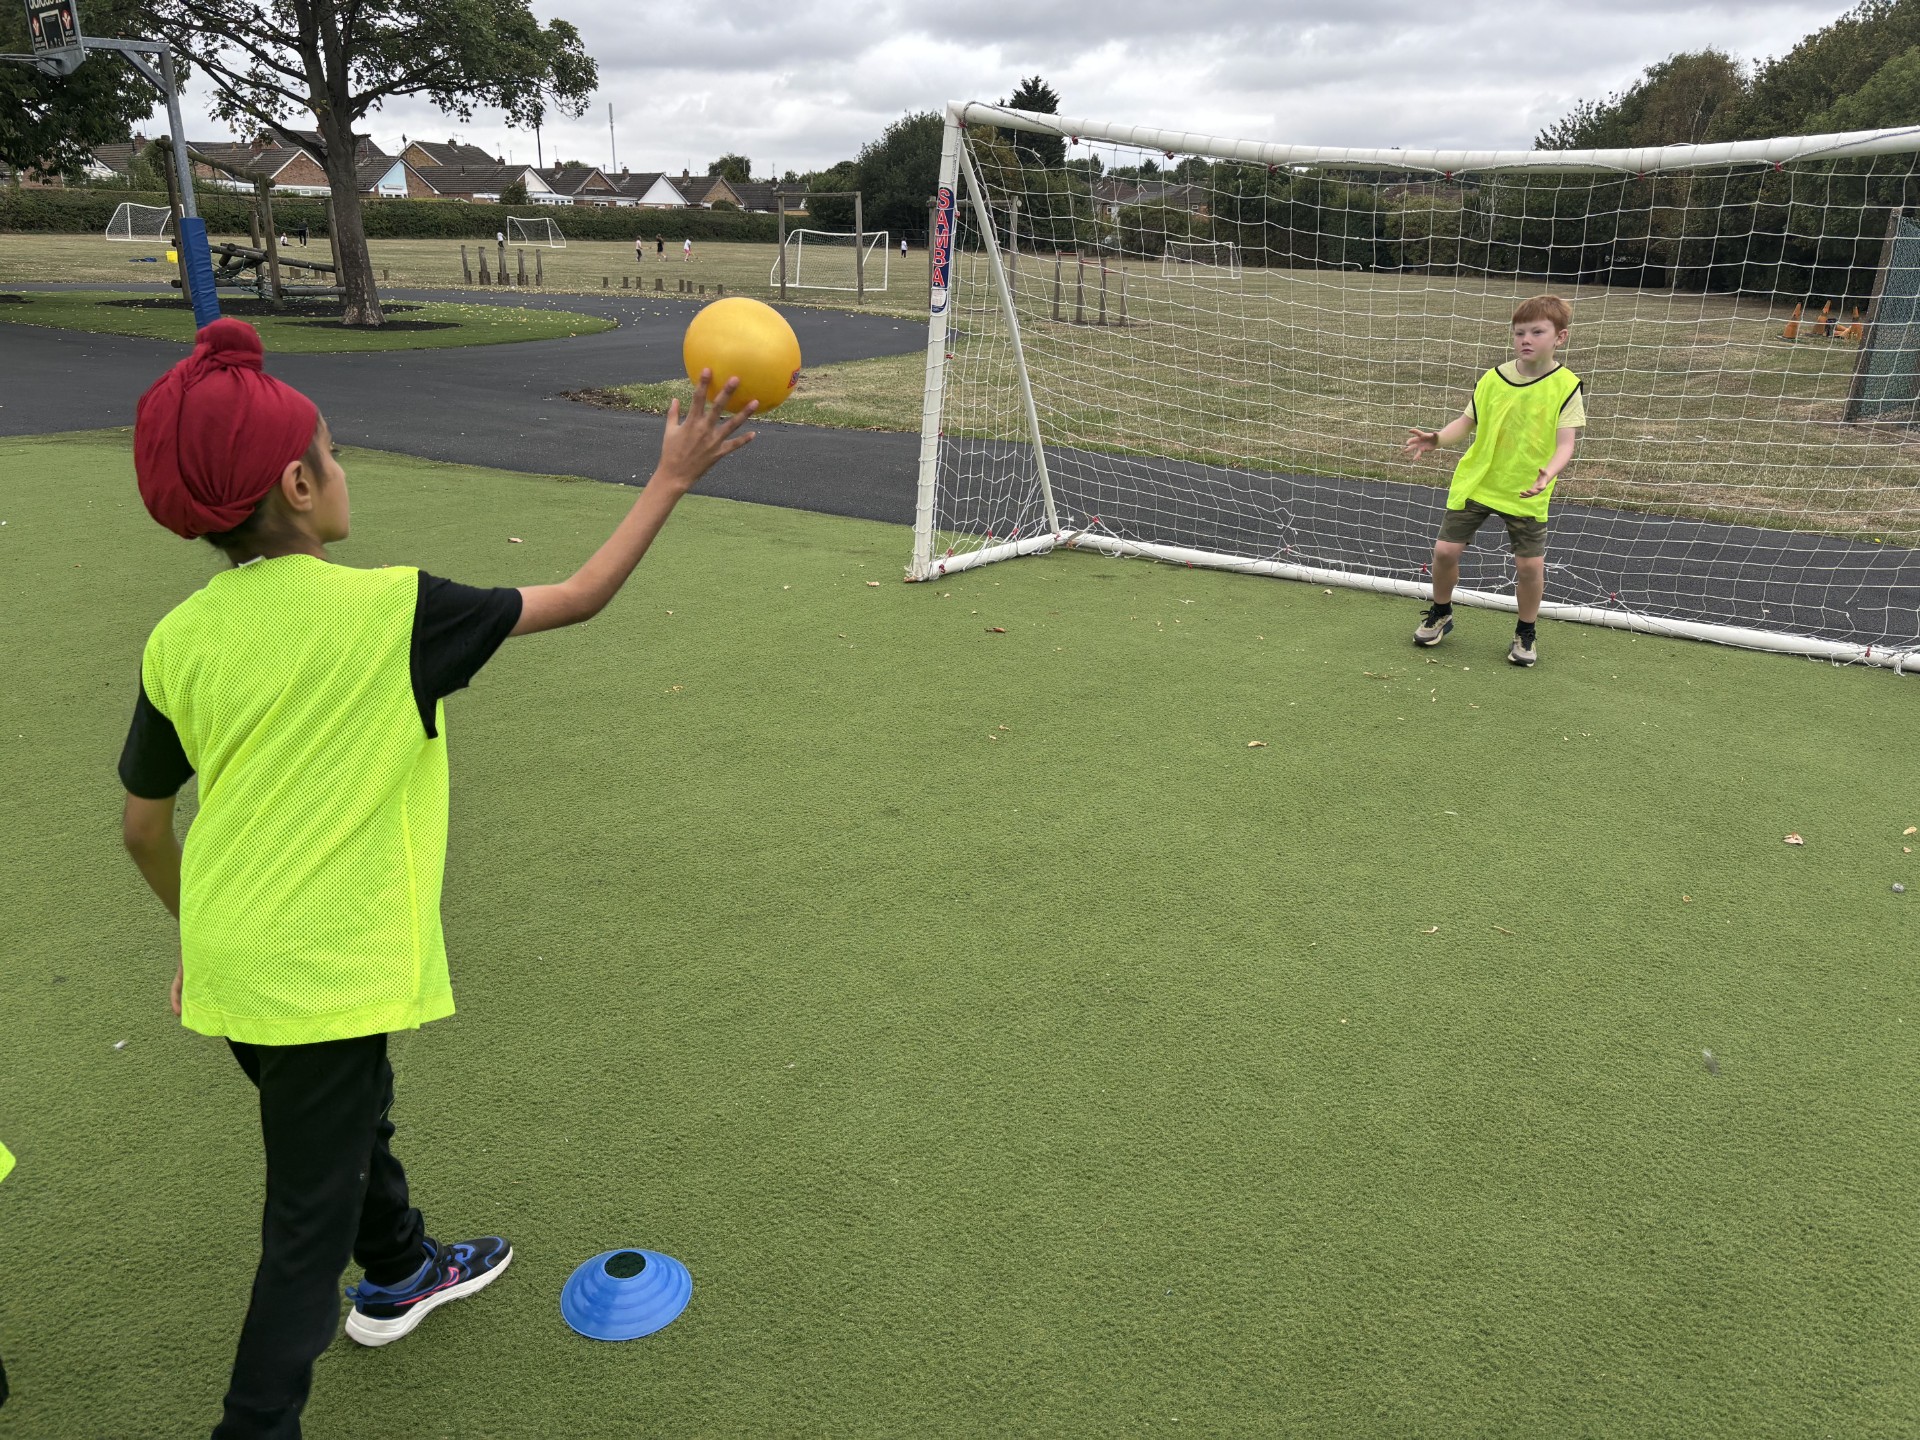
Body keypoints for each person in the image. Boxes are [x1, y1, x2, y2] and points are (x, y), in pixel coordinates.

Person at [118, 318, 757, 1438]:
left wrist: (197, 938)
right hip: (318, 978)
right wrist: (669, 476)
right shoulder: (394, 612)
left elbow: (141, 827)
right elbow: (580, 595)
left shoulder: (178, 639)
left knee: (344, 1123)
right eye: (332, 452)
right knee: (301, 1229)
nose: (341, 468)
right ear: (299, 486)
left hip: (232, 963)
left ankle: (403, 1269)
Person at [1402, 294, 1583, 668]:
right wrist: (1437, 439)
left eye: (1537, 332)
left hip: (1526, 489)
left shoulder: (1566, 386)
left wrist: (1549, 472)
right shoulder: (1493, 378)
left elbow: (1566, 444)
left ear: (1560, 337)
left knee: (1529, 567)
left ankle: (1525, 632)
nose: (1525, 339)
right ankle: (1441, 612)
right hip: (1479, 481)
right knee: (1444, 551)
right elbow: (1465, 423)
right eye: (1519, 332)